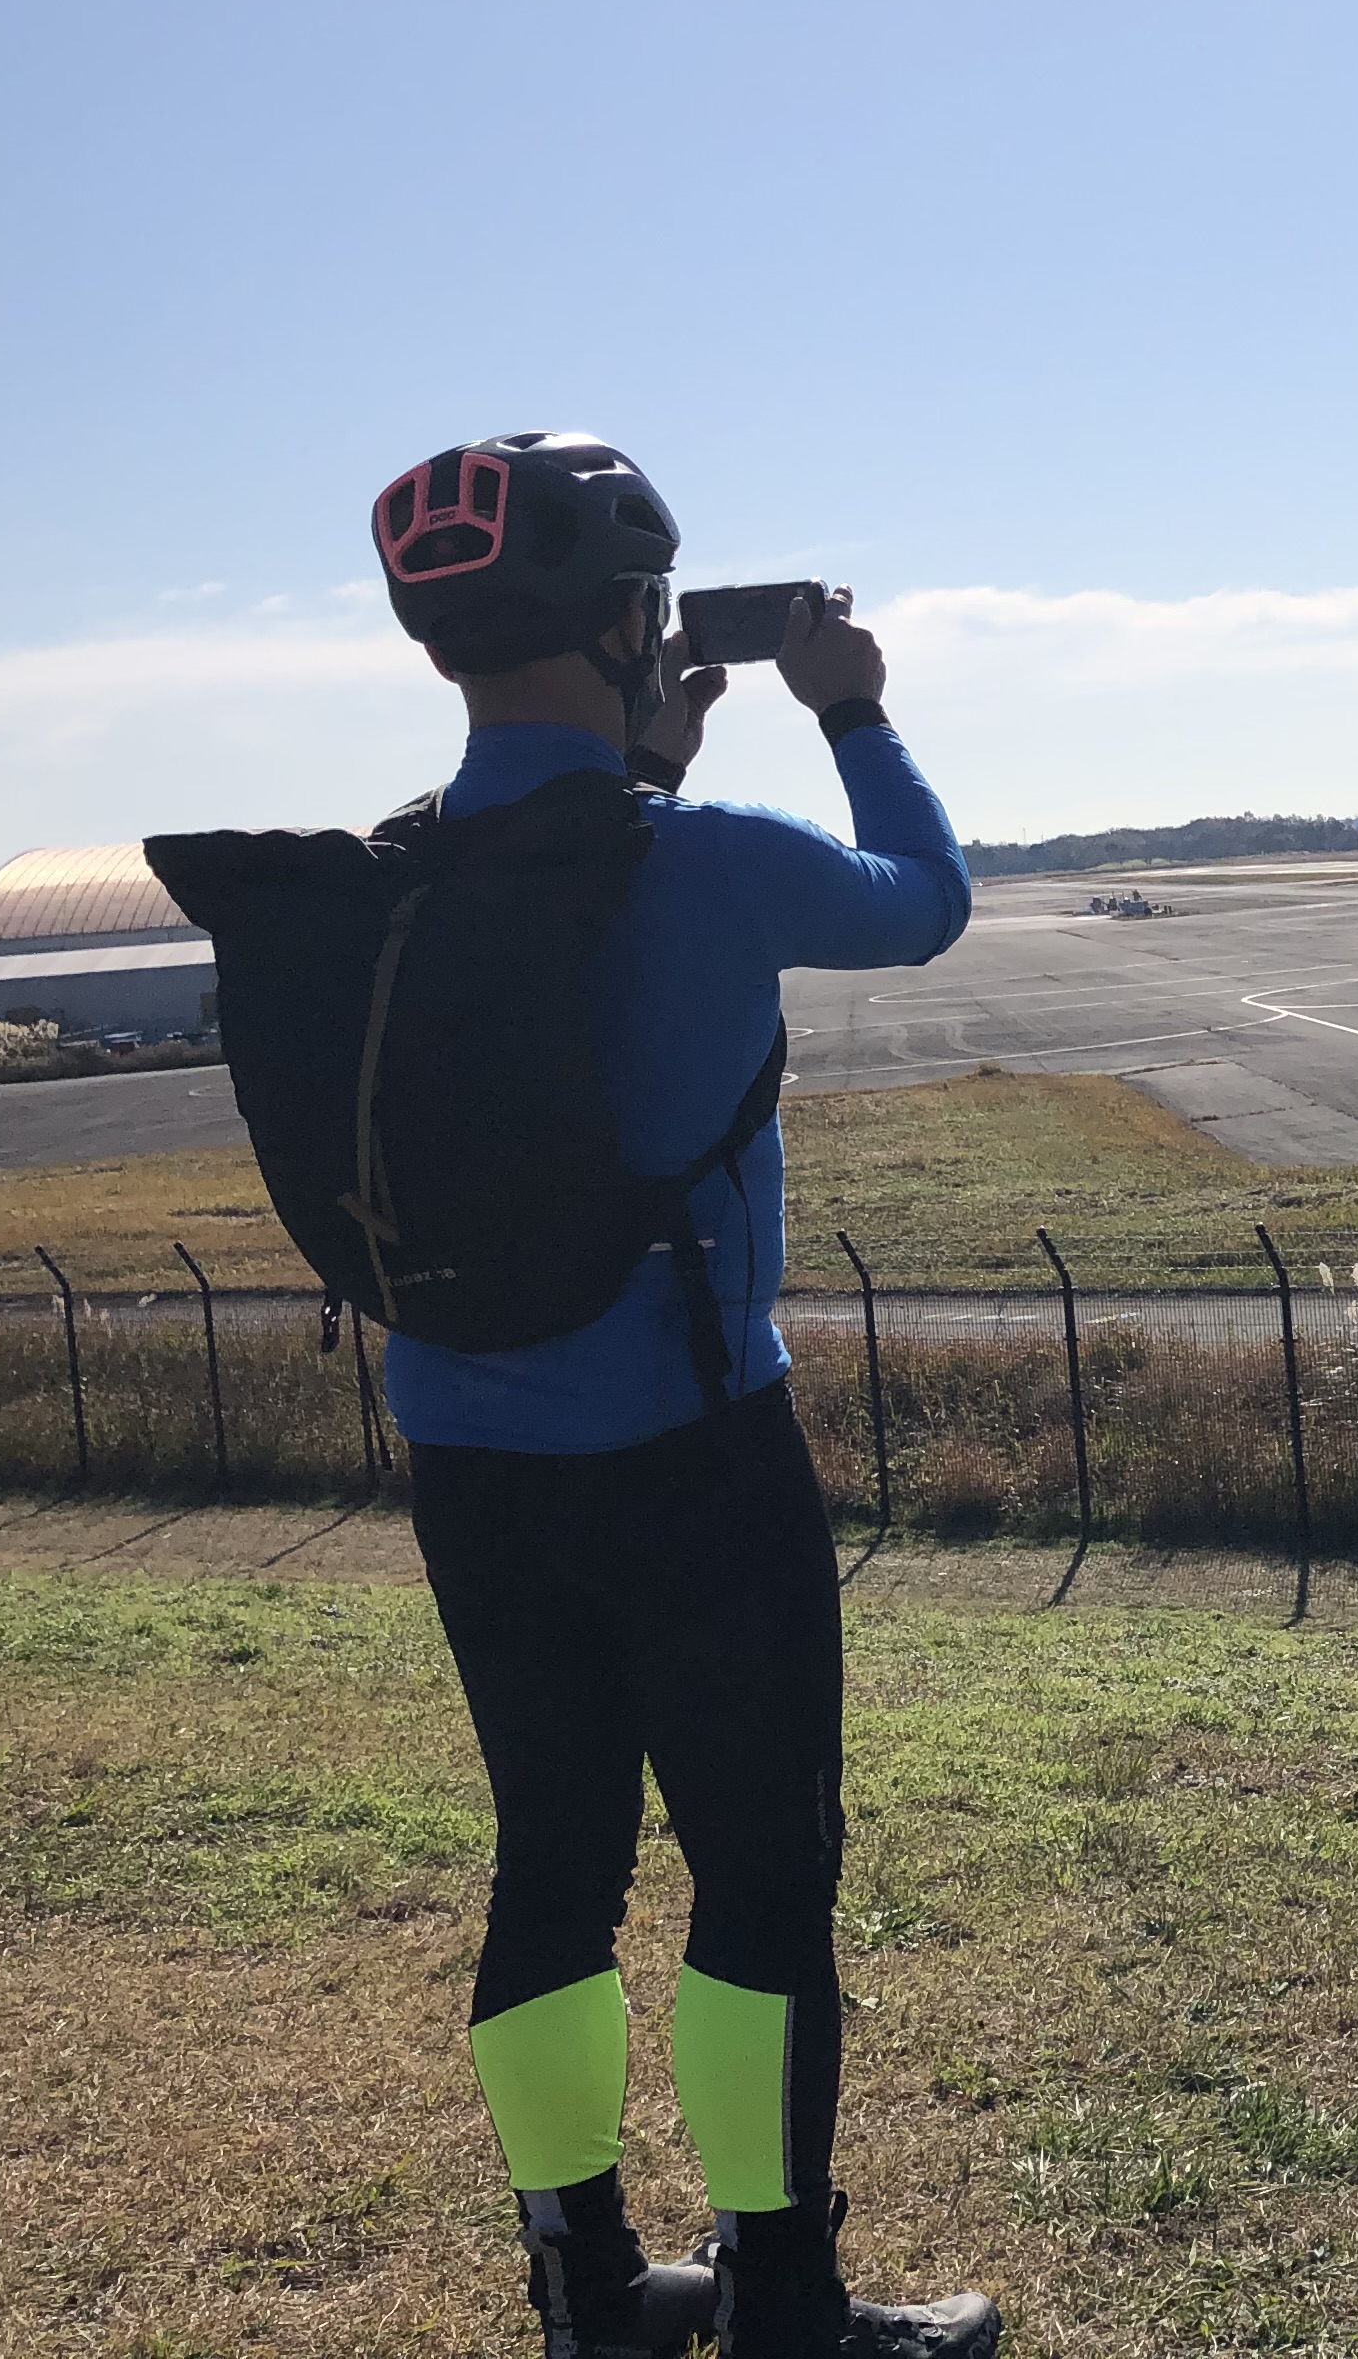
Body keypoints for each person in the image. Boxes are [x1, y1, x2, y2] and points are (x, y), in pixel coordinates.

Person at [364, 435, 995, 2359]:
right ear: (638, 619)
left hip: (469, 1459)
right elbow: (924, 900)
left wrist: (640, 762)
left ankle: (586, 2289)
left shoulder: (396, 866)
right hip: (695, 1453)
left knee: (553, 1858)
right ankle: (787, 2303)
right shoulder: (705, 856)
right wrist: (855, 714)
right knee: (760, 1876)